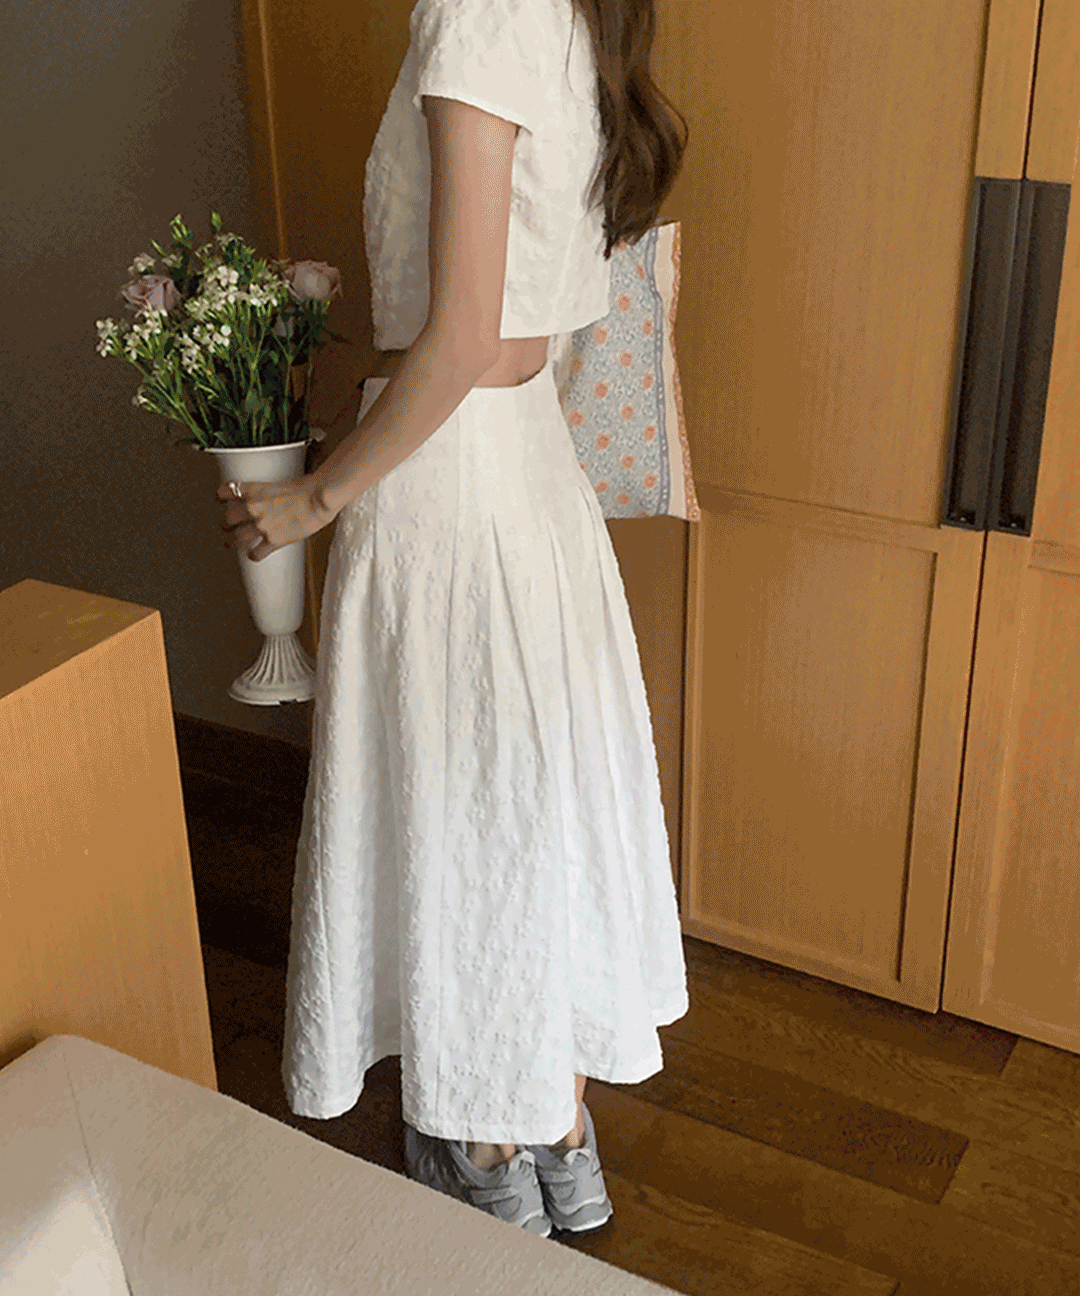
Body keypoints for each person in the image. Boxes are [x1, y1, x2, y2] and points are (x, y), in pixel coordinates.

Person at [278, 0, 692, 1241]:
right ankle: (552, 1122)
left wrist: (315, 493)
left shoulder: (479, 11)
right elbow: (521, 320)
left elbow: (457, 333)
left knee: (455, 812)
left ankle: (484, 1136)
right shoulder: (570, 18)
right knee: (527, 806)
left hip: (448, 482)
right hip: (531, 469)